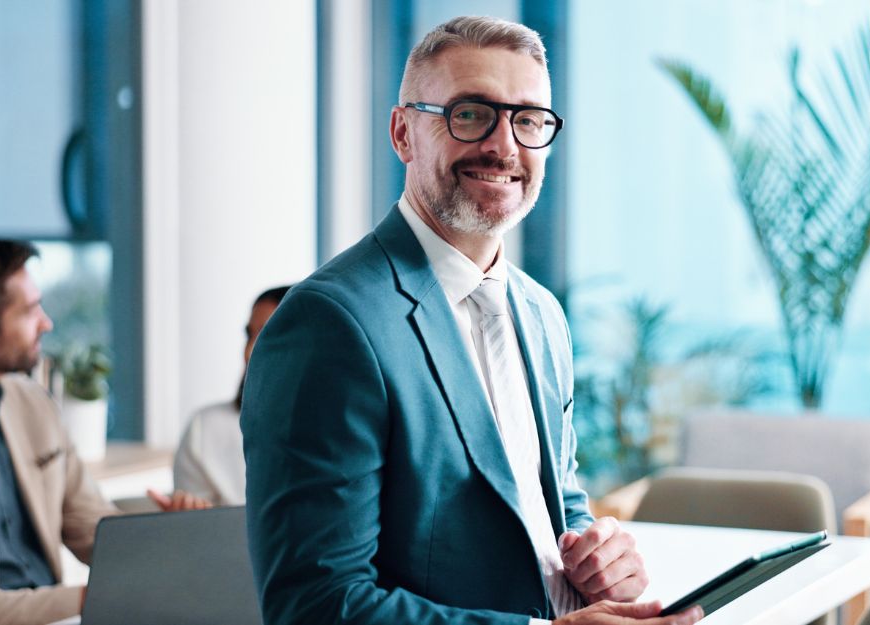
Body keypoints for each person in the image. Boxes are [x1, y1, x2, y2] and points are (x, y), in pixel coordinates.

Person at [242, 16, 703, 625]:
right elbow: (317, 605)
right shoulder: (327, 325)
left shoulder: (542, 314)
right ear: (403, 132)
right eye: (470, 114)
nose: (505, 146)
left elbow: (552, 505)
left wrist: (599, 560)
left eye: (529, 120)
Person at [0, 236, 205, 625]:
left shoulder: (32, 403)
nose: (47, 322)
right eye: (31, 310)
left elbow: (92, 528)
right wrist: (95, 598)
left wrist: (173, 537)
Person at [174, 285, 291, 505]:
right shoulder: (206, 428)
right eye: (249, 335)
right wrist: (186, 522)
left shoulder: (343, 434)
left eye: (268, 335)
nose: (249, 352)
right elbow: (193, 531)